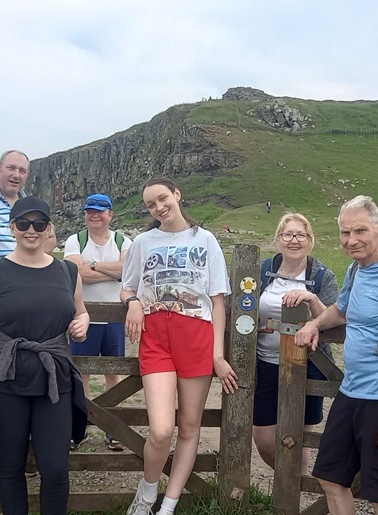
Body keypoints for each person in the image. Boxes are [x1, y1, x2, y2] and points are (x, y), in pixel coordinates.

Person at [295, 195, 378, 515]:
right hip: (351, 393)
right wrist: (315, 323)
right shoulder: (357, 269)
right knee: (329, 478)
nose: (351, 240)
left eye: (360, 231)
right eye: (344, 233)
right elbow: (341, 310)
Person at [0, 196, 90, 515]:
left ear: (49, 228)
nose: (31, 230)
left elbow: (79, 310)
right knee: (10, 467)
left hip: (54, 379)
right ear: (12, 228)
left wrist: (83, 321)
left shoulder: (67, 272)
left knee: (56, 469)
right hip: (4, 382)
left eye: (38, 224)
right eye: (23, 223)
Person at [121, 177, 239, 515]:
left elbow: (218, 302)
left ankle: (168, 506)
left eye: (162, 199)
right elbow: (127, 287)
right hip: (156, 338)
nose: (159, 208)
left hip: (197, 338)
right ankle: (145, 495)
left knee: (189, 426)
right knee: (160, 429)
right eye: (150, 205)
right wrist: (132, 303)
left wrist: (217, 355)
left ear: (177, 194)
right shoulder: (142, 242)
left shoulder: (206, 240)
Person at [253, 213, 338, 472]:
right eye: (288, 235)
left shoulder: (323, 275)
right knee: (264, 437)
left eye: (301, 235)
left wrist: (311, 299)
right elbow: (242, 306)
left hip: (309, 364)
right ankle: (290, 482)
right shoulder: (263, 270)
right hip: (265, 363)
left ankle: (295, 496)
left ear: (310, 241)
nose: (294, 241)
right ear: (278, 239)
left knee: (299, 439)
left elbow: (333, 318)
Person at [63, 193, 133, 452]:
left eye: (99, 211)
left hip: (115, 319)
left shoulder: (123, 240)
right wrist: (111, 271)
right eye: (89, 211)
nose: (94, 215)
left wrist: (92, 266)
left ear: (110, 215)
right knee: (81, 373)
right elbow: (74, 274)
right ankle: (78, 429)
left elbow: (127, 270)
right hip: (83, 317)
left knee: (114, 374)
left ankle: (112, 429)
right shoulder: (75, 240)